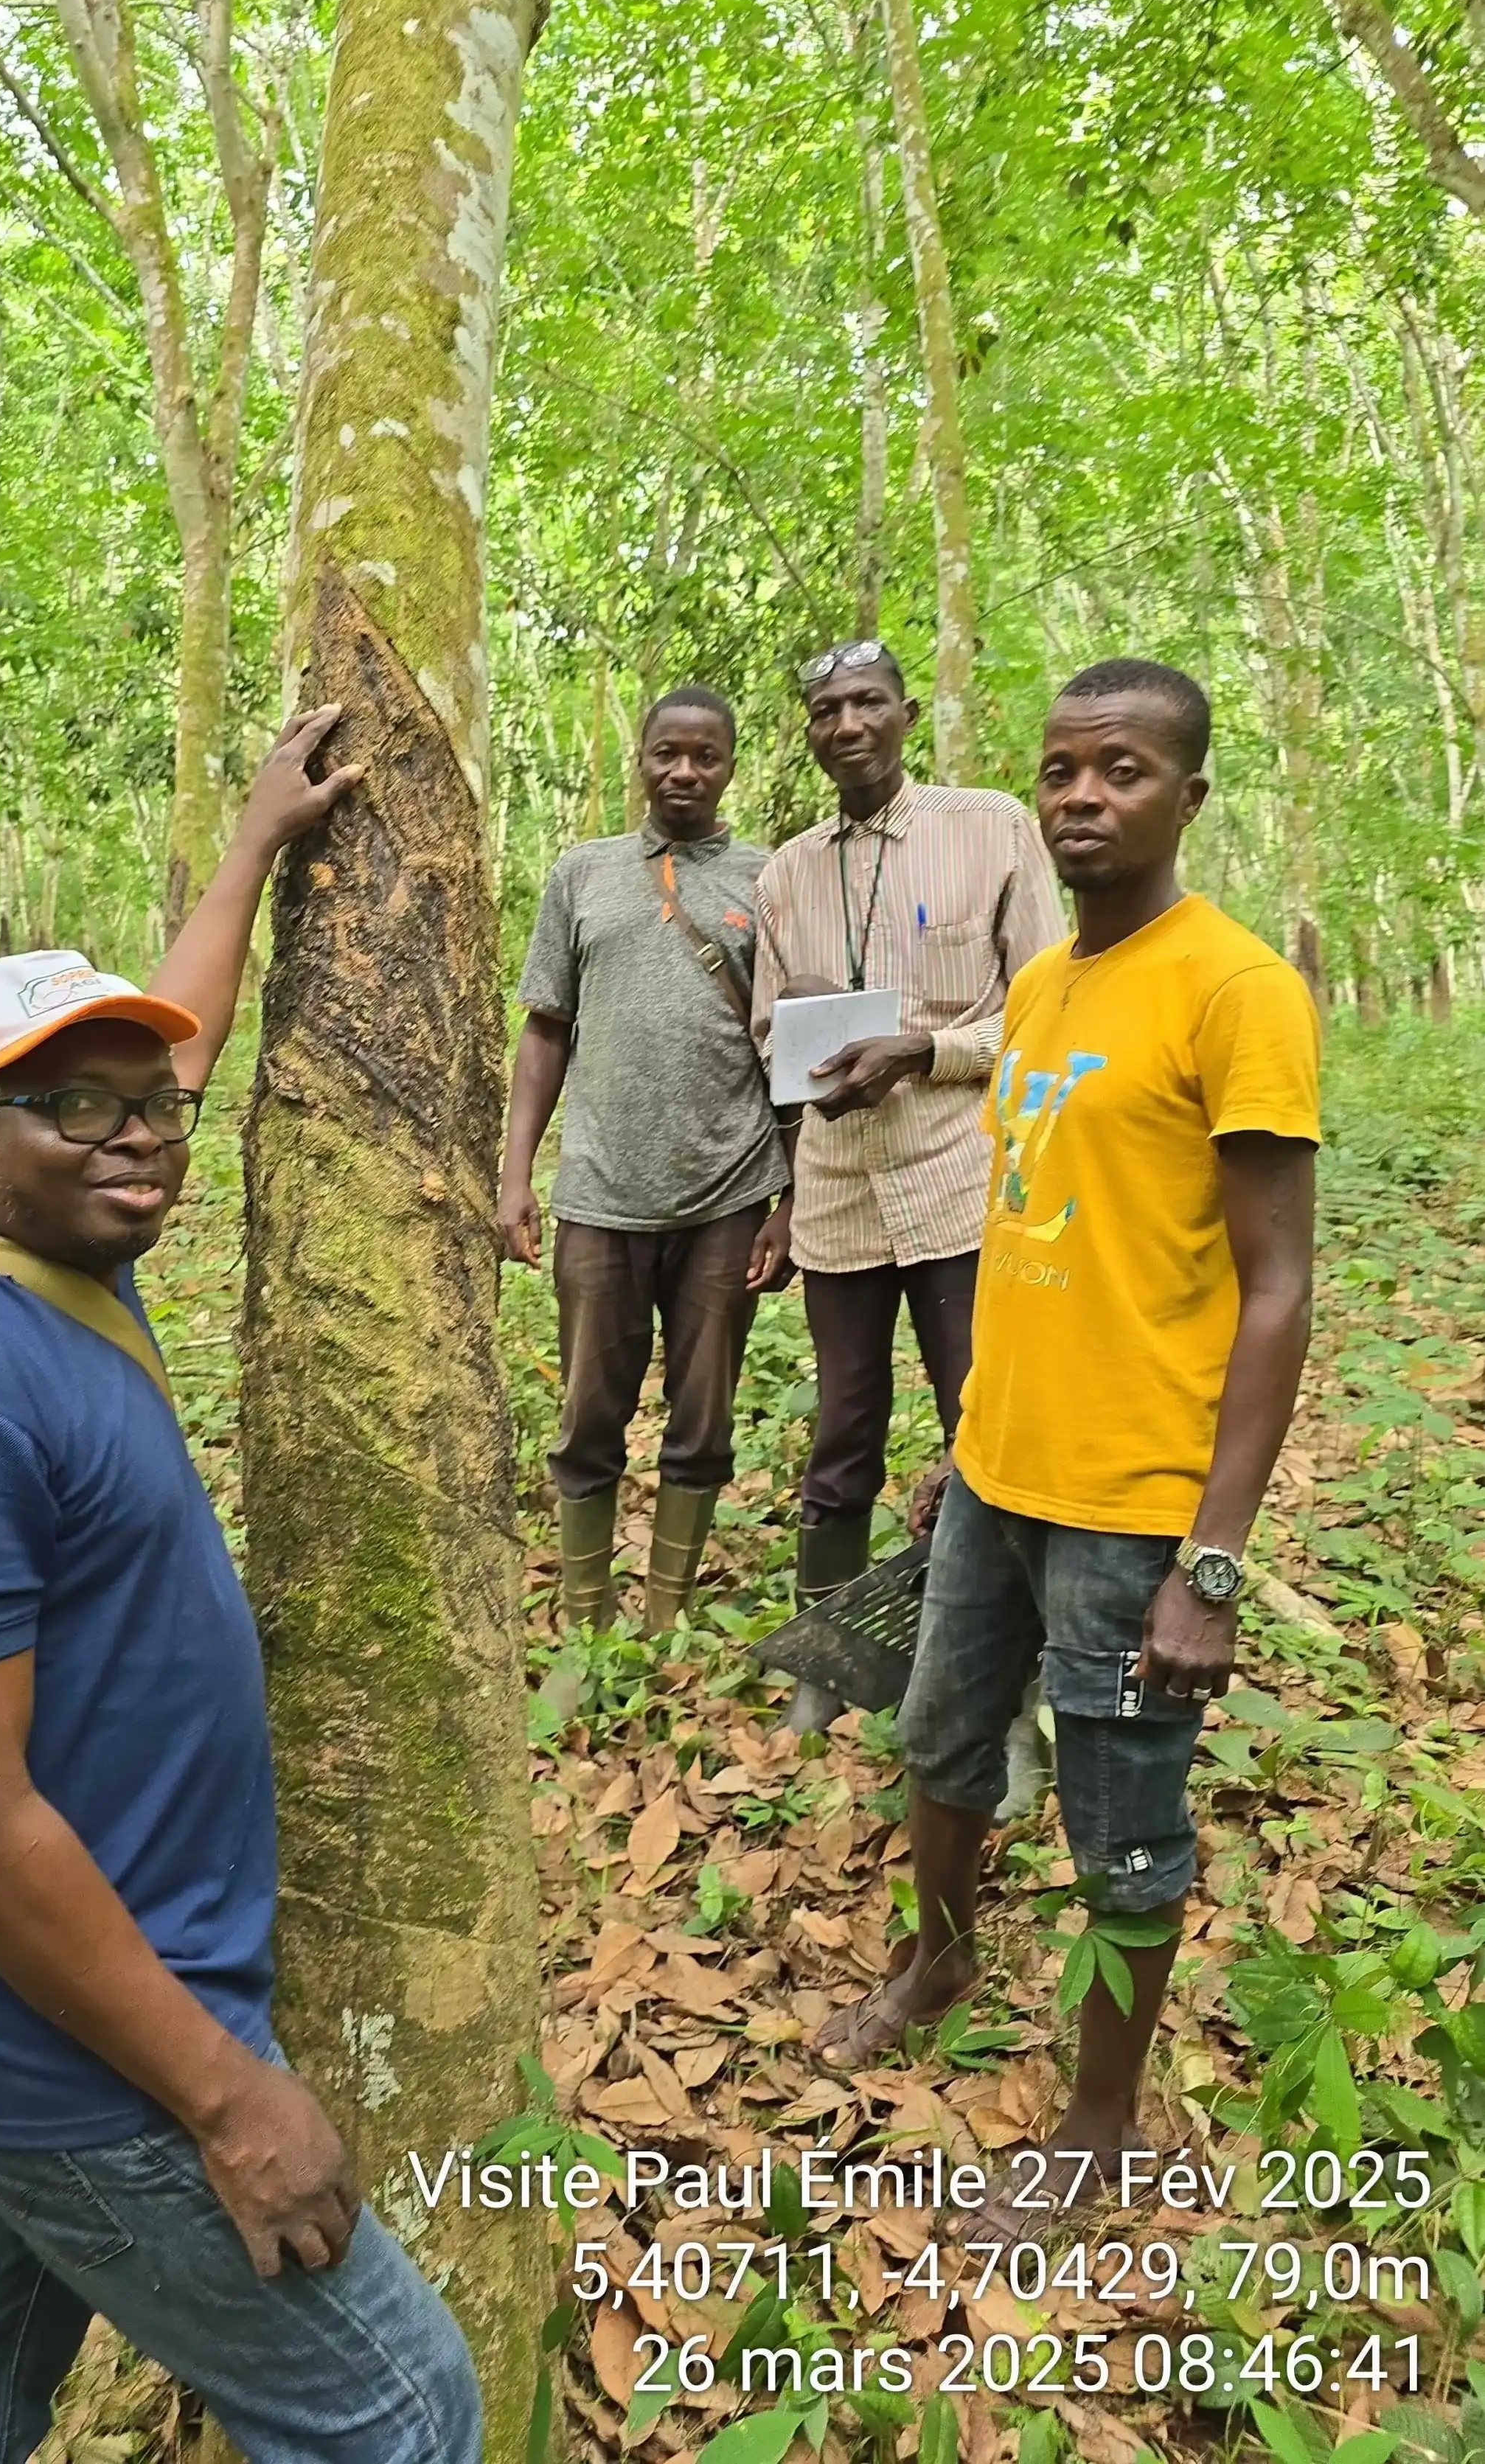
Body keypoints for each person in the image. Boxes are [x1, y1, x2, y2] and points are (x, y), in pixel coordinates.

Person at [0, 709, 482, 2464]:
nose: (140, 1134)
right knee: (403, 2411)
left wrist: (251, 843)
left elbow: (183, 1025)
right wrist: (228, 2095)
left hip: (9, 2021)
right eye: (72, 1101)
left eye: (153, 1101)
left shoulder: (53, 1258)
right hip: (101, 2056)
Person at [815, 659, 1319, 2237]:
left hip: (1132, 1504)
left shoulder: (1235, 989)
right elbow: (1041, 1234)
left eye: (1122, 770)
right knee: (940, 1742)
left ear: (1186, 795)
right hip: (997, 1471)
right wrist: (965, 1443)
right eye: (1061, 771)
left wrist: (1210, 1564)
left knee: (1122, 1814)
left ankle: (1099, 2123)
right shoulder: (1041, 992)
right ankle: (941, 1950)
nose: (1083, 796)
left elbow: (1280, 1292)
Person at [750, 640, 1063, 1729]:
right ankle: (822, 1662)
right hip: (837, 1184)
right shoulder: (786, 868)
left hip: (956, 1174)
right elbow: (763, 1026)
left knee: (975, 1417)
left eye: (865, 703)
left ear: (905, 713)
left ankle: (1001, 1684)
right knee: (842, 1425)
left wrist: (919, 1051)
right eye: (825, 709)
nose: (845, 724)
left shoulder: (987, 828)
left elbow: (1042, 1008)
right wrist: (807, 1069)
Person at [500, 686, 792, 1631]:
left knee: (702, 1417)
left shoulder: (770, 878)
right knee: (588, 1415)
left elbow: (790, 1046)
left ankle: (664, 1612)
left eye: (704, 756)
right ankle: (588, 1614)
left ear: (730, 766)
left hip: (731, 1192)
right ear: (642, 757)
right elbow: (546, 1031)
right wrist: (515, 1176)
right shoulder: (582, 873)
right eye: (667, 753)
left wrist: (792, 1201)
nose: (683, 772)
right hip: (600, 1190)